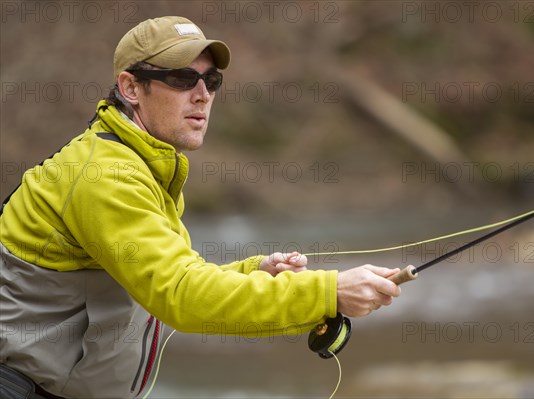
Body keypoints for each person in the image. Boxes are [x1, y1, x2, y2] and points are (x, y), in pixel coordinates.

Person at [0, 16, 402, 399]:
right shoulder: (106, 176)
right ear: (131, 87)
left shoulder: (139, 162)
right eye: (181, 78)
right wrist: (328, 292)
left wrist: (252, 273)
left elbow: (167, 277)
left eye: (211, 80)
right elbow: (182, 296)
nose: (202, 94)